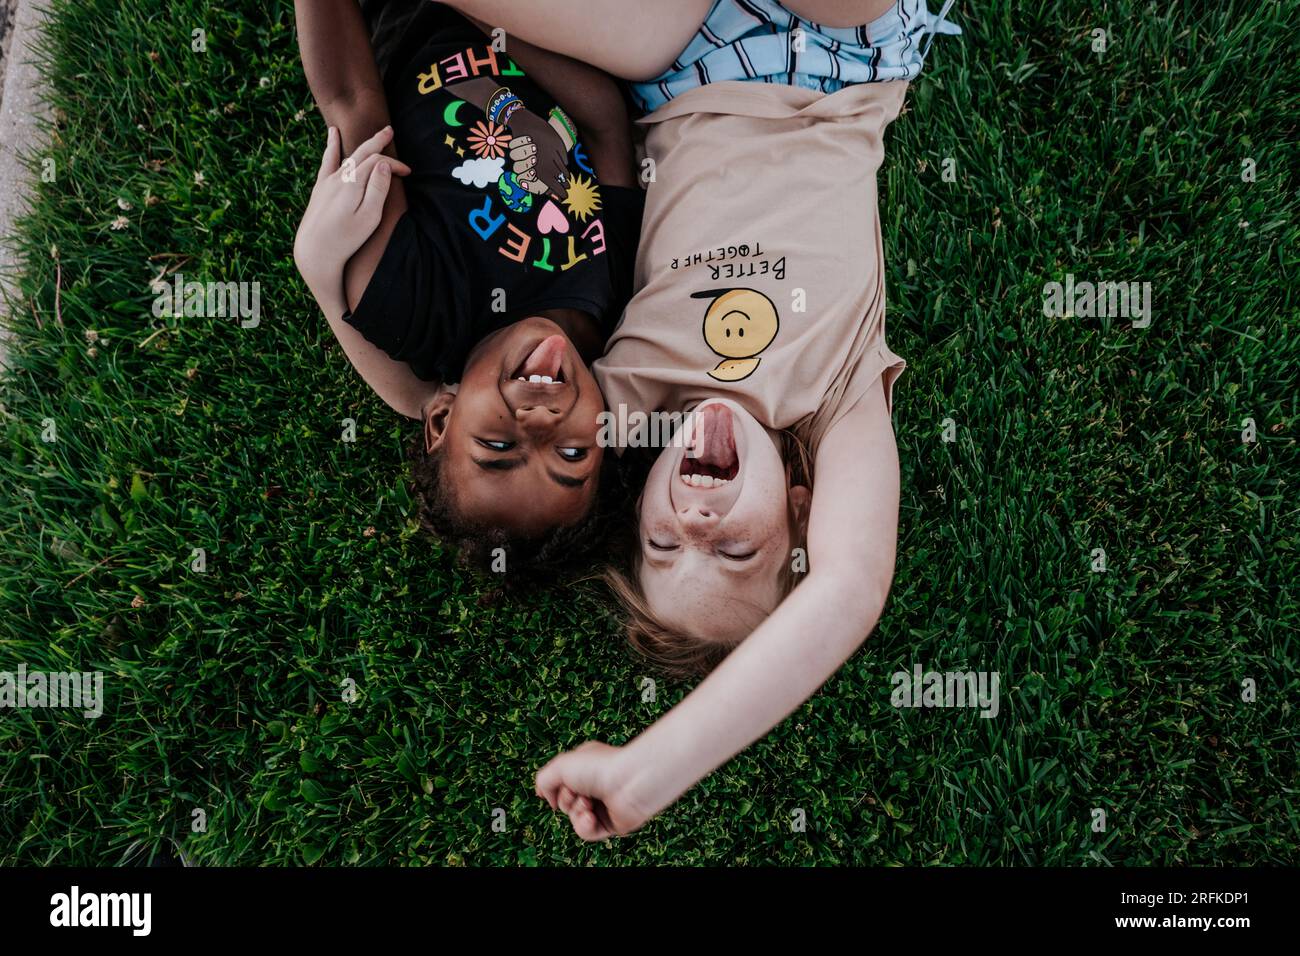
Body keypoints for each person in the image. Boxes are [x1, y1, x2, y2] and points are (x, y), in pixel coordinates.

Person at [441, 0, 958, 839]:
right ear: (800, 509)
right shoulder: (836, 398)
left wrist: (323, 276)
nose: (696, 519)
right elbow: (850, 591)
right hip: (840, 61)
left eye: (663, 542)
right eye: (734, 548)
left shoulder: (622, 402)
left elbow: (461, 414)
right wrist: (650, 774)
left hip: (677, 64)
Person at [292, 0, 644, 572]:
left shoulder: (411, 308)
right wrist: (495, 19)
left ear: (440, 422)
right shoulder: (618, 296)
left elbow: (353, 103)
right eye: (572, 453)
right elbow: (605, 122)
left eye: (498, 447)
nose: (540, 420)